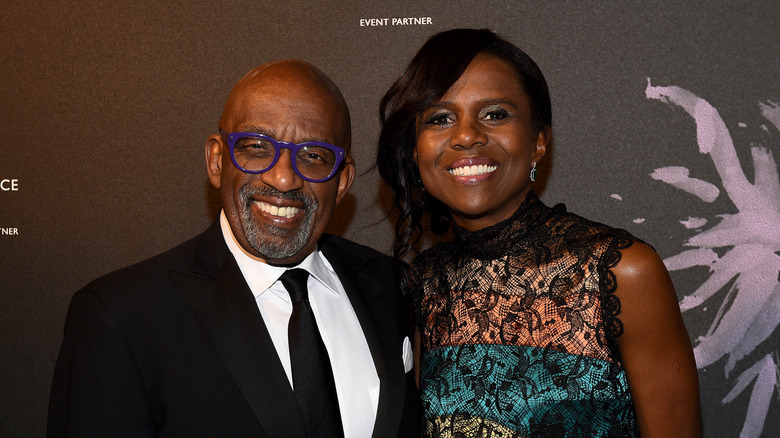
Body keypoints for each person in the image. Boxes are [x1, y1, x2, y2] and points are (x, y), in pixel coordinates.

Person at [48, 59, 419, 438]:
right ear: (216, 160)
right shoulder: (122, 315)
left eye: (313, 155)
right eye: (257, 147)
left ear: (341, 181)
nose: (284, 177)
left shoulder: (391, 286)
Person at [377, 29, 701, 437]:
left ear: (539, 142)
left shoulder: (619, 272)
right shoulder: (427, 283)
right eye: (440, 119)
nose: (465, 136)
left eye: (495, 114)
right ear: (415, 151)